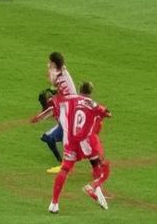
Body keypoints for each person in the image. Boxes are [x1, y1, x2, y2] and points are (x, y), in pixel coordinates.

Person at [32, 81, 111, 213]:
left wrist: (39, 116)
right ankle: (95, 188)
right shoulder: (92, 104)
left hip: (70, 139)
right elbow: (107, 113)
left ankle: (54, 204)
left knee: (65, 169)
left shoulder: (71, 99)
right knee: (97, 163)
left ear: (80, 90)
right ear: (90, 92)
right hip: (86, 139)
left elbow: (54, 107)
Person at [29, 51, 77, 173]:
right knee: (59, 135)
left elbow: (53, 107)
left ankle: (65, 165)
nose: (48, 65)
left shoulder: (59, 78)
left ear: (55, 64)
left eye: (50, 63)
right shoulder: (63, 73)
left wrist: (39, 118)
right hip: (73, 109)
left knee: (67, 136)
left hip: (71, 111)